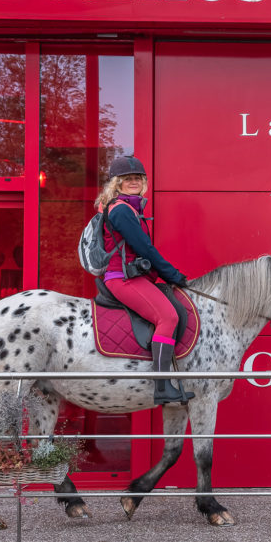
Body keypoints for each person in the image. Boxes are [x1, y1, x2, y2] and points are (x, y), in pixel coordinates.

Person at [96, 155, 194, 405]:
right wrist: (173, 275)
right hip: (122, 278)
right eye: (127, 179)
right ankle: (162, 387)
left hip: (133, 276)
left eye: (138, 178)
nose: (133, 182)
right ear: (117, 184)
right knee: (168, 317)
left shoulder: (130, 209)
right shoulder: (121, 211)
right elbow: (145, 249)